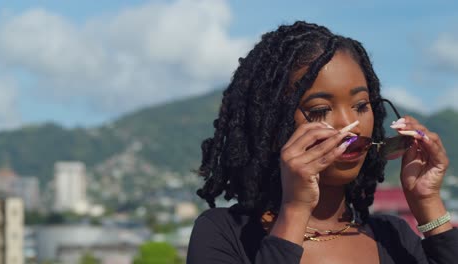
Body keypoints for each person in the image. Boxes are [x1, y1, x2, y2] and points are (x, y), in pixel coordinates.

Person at [186, 21, 458, 263]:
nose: (349, 124)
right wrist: (294, 210)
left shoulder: (393, 236)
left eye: (361, 105)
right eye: (319, 110)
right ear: (271, 126)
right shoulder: (224, 233)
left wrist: (427, 201)